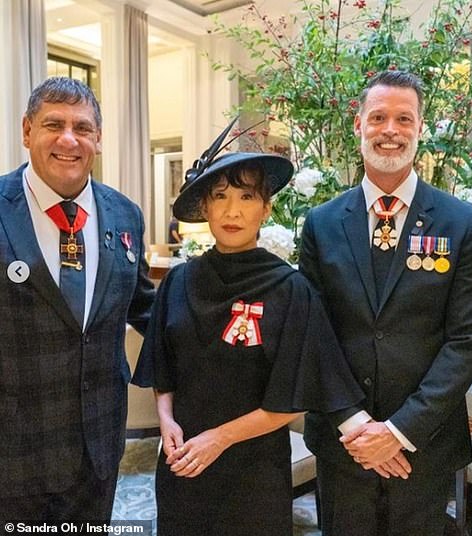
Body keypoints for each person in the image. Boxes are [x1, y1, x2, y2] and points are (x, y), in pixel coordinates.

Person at [132, 124, 365, 536]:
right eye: (219, 197)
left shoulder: (290, 289)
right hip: (182, 460)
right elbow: (163, 369)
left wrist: (217, 439)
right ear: (204, 207)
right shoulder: (179, 281)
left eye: (246, 197)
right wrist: (166, 421)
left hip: (253, 471)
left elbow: (295, 397)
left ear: (266, 209)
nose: (232, 211)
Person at [299, 70, 472, 535]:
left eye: (404, 119)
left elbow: (466, 339)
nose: (390, 130)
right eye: (379, 117)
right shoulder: (322, 223)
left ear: (420, 129)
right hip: (344, 441)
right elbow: (313, 334)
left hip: (423, 442)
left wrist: (398, 432)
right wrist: (356, 426)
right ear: (358, 125)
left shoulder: (460, 222)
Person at [0, 77, 155, 522]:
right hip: (13, 455)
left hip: (98, 449)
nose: (69, 139)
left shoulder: (124, 213)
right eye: (54, 124)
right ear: (27, 131)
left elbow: (142, 303)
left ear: (98, 139)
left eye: (82, 128)